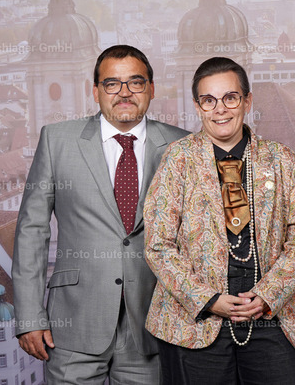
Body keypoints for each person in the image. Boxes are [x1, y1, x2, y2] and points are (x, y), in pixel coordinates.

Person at [12, 45, 188, 384]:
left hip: (152, 326)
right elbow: (32, 232)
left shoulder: (181, 146)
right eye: (112, 84)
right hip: (73, 324)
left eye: (135, 82)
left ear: (151, 89)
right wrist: (29, 316)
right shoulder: (57, 141)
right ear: (95, 92)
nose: (124, 92)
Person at [143, 57, 295, 384]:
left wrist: (267, 295)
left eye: (230, 98)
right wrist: (208, 300)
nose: (220, 109)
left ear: (247, 101)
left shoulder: (280, 158)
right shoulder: (177, 159)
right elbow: (158, 246)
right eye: (209, 100)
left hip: (269, 314)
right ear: (198, 107)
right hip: (194, 322)